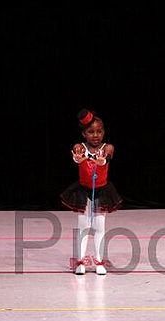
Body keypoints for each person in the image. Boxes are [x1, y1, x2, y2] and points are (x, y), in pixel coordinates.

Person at [60, 108, 122, 275]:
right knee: (84, 226)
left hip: (102, 192)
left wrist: (103, 161)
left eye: (99, 131)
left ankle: (99, 261)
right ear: (84, 134)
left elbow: (107, 156)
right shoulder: (79, 147)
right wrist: (77, 158)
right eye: (91, 132)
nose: (95, 135)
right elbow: (76, 155)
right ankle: (80, 261)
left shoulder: (107, 147)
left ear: (104, 132)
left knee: (100, 226)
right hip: (83, 191)